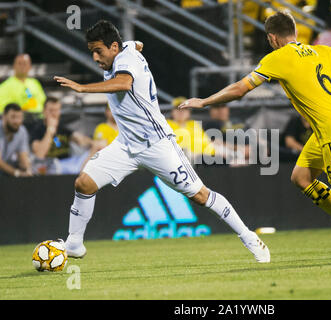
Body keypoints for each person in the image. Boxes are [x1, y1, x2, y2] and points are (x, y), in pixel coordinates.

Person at [180, 11, 331, 261]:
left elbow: (240, 89)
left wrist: (205, 101)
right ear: (294, 32)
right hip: (329, 126)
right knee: (301, 177)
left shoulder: (278, 58)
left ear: (272, 38)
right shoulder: (320, 50)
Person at [54, 20, 270, 263]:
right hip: (126, 145)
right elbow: (136, 43)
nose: (94, 57)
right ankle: (74, 243)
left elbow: (124, 83)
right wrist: (135, 44)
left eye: (98, 51)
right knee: (84, 183)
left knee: (200, 195)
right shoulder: (124, 49)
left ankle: (248, 236)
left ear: (114, 47)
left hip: (157, 144)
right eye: (91, 51)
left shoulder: (126, 61)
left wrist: (83, 89)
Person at [29, 97, 93, 175]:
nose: (54, 114)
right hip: (48, 166)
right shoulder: (37, 130)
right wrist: (50, 131)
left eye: (57, 110)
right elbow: (39, 155)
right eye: (51, 110)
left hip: (68, 164)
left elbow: (81, 140)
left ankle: (83, 178)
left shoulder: (62, 128)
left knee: (95, 149)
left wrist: (93, 143)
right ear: (44, 112)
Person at [167, 97, 215, 164]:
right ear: (172, 112)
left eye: (185, 109)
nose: (181, 112)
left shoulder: (193, 124)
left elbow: (206, 142)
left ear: (189, 112)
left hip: (200, 155)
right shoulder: (167, 124)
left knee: (221, 148)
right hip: (178, 158)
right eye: (178, 108)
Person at [0, 103, 32, 177]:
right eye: (13, 117)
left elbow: (23, 156)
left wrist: (28, 170)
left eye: (19, 117)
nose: (16, 121)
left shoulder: (22, 131)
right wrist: (16, 173)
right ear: (4, 117)